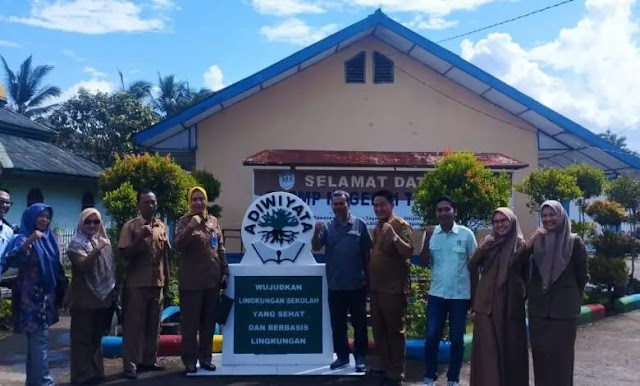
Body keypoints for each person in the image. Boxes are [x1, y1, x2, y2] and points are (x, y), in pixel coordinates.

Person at [522, 200, 588, 386]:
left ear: (561, 216)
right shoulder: (537, 240)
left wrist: (572, 297)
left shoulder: (574, 242)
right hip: (539, 311)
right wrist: (531, 241)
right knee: (541, 357)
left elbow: (582, 276)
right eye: (544, 215)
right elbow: (519, 264)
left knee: (562, 359)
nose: (548, 219)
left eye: (552, 215)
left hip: (564, 312)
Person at [3, 203, 69, 386]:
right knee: (40, 341)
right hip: (29, 301)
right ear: (31, 217)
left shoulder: (48, 239)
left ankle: (34, 382)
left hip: (45, 300)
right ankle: (45, 382)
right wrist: (29, 242)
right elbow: (13, 260)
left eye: (47, 216)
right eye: (41, 216)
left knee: (36, 343)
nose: (45, 220)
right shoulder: (22, 237)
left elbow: (56, 268)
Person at [311, 190, 371, 372]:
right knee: (338, 324)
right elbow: (315, 247)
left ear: (348, 204)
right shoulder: (327, 227)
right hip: (335, 286)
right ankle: (343, 357)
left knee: (359, 323)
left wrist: (369, 279)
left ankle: (360, 357)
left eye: (341, 203)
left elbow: (367, 255)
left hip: (357, 285)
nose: (338, 207)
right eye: (335, 204)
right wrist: (315, 231)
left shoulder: (360, 225)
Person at [468, 208, 529, 386]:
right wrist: (482, 247)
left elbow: (526, 275)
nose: (500, 224)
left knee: (510, 348)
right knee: (488, 350)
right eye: (496, 221)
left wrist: (519, 296)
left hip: (510, 305)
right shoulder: (489, 242)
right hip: (486, 304)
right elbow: (472, 265)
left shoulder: (520, 244)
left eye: (504, 221)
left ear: (512, 222)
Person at [420, 196, 476, 386]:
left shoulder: (466, 235)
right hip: (437, 295)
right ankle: (429, 377)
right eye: (439, 210)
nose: (443, 213)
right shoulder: (430, 233)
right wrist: (427, 239)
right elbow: (424, 262)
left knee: (457, 339)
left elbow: (474, 267)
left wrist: (474, 298)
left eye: (447, 209)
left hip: (460, 296)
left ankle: (453, 379)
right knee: (431, 337)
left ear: (455, 211)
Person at [117, 188, 170, 379]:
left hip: (157, 283)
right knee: (133, 325)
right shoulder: (131, 226)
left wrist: (167, 281)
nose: (151, 205)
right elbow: (124, 254)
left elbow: (165, 257)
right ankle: (129, 364)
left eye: (153, 202)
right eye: (147, 202)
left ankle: (149, 359)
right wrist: (139, 237)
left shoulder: (161, 226)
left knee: (154, 324)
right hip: (136, 284)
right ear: (139, 204)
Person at [174, 187, 228, 374]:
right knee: (190, 323)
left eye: (201, 199)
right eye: (195, 199)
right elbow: (178, 245)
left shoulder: (213, 221)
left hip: (212, 281)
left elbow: (220, 247)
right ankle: (190, 360)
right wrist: (192, 227)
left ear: (206, 201)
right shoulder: (184, 221)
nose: (198, 203)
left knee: (208, 322)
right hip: (191, 283)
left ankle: (206, 358)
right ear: (190, 201)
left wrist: (225, 270)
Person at [369, 189, 414, 386]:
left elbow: (408, 252)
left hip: (394, 290)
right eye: (376, 205)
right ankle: (386, 368)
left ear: (391, 205)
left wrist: (395, 237)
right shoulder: (377, 227)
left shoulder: (400, 225)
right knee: (379, 330)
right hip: (377, 289)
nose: (379, 208)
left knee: (395, 332)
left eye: (382, 204)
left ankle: (397, 373)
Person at [67, 208, 117, 385]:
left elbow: (110, 271)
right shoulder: (76, 244)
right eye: (88, 222)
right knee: (82, 339)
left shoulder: (104, 241)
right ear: (81, 223)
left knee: (96, 339)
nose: (92, 225)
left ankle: (95, 373)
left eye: (96, 222)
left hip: (102, 299)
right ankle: (81, 376)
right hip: (83, 299)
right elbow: (82, 266)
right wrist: (97, 250)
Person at [0, 188, 15, 271]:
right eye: (1, 201)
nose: (4, 205)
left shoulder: (9, 232)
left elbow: (6, 261)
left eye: (8, 202)